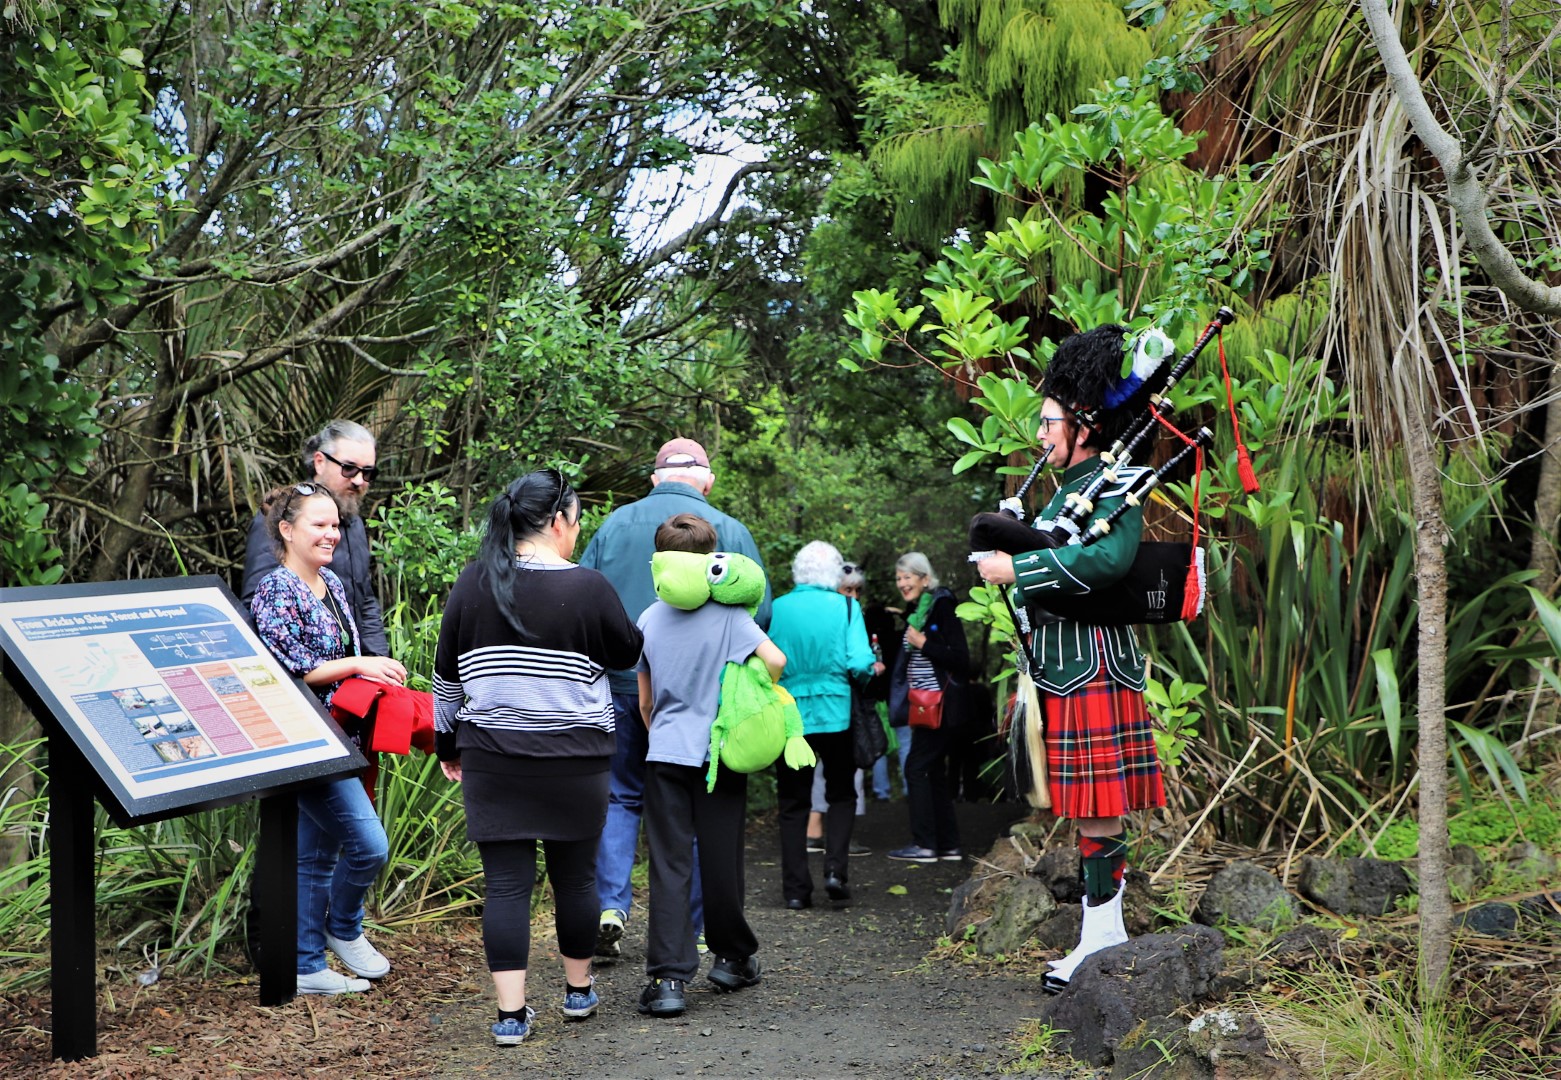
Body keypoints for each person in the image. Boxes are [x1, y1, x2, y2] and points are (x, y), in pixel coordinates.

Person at [974, 323, 1168, 992]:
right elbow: (1060, 554)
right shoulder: (1070, 488)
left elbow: (1109, 560)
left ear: (1084, 424)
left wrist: (1018, 567)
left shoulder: (1119, 481)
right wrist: (1012, 541)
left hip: (1092, 658)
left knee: (1097, 806)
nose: (1039, 434)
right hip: (1061, 661)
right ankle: (1099, 933)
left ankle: (1102, 937)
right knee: (1083, 806)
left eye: (1048, 421)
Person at [434, 469, 643, 1045]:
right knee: (576, 880)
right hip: (577, 759)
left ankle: (510, 1016)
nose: (577, 532)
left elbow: (446, 679)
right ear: (557, 522)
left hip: (492, 756)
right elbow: (628, 651)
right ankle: (578, 992)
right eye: (576, 521)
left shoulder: (473, 581)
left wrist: (448, 744)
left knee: (505, 886)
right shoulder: (589, 587)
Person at [579, 438, 771, 958]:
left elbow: (586, 599)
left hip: (622, 684)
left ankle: (610, 907)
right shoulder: (728, 530)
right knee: (698, 811)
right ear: (707, 481)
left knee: (621, 796)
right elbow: (761, 613)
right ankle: (701, 926)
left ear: (653, 479)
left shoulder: (614, 525)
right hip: (702, 700)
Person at [249, 482, 406, 995]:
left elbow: (341, 655)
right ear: (287, 530)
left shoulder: (331, 583)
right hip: (305, 739)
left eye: (335, 525)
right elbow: (288, 667)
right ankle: (344, 927)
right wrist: (361, 663)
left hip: (344, 735)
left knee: (315, 858)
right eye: (319, 524)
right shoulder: (277, 589)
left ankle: (307, 965)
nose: (331, 534)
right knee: (369, 846)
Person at [635, 513, 783, 1018]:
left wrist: (662, 731)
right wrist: (746, 686)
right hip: (719, 753)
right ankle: (732, 958)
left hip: (665, 753)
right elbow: (777, 660)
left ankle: (668, 981)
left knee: (669, 863)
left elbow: (645, 701)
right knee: (721, 858)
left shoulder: (649, 618)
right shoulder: (730, 617)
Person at [768, 542, 879, 908]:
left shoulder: (776, 608)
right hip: (837, 712)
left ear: (797, 572)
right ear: (833, 573)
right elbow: (860, 662)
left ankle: (795, 891)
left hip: (790, 715)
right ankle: (835, 872)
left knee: (792, 802)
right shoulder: (846, 607)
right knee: (842, 794)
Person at [242, 419, 388, 657]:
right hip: (301, 668)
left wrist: (379, 661)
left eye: (368, 472)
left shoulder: (354, 523)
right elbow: (256, 606)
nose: (359, 480)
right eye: (349, 468)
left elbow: (365, 601)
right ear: (320, 462)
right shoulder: (283, 517)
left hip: (354, 667)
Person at [884, 552, 971, 864]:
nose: (902, 583)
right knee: (932, 771)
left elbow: (961, 658)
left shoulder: (941, 605)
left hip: (941, 705)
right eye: (899, 578)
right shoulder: (919, 611)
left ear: (924, 578)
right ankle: (947, 844)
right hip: (923, 705)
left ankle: (924, 844)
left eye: (907, 577)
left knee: (916, 768)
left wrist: (924, 644)